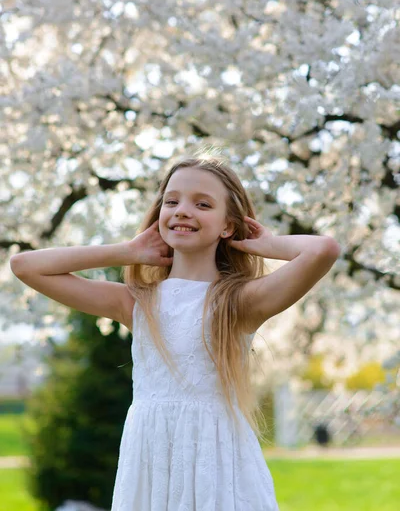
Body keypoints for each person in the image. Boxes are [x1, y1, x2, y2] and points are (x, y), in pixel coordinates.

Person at [10, 152, 341, 510]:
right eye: (172, 201)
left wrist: (269, 245)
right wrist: (127, 251)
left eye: (202, 204)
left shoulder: (239, 303)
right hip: (150, 461)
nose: (183, 210)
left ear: (227, 225)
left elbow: (324, 249)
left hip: (215, 463)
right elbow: (26, 266)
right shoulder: (136, 303)